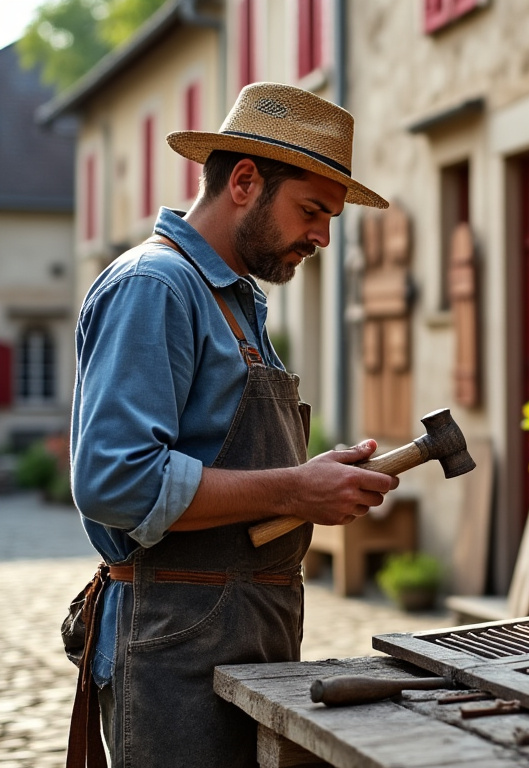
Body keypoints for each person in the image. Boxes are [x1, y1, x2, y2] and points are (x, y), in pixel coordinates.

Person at [66, 83, 395, 768]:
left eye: (330, 217)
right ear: (244, 181)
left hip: (241, 639)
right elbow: (116, 482)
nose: (323, 236)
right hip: (174, 648)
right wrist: (294, 491)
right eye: (312, 210)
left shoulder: (233, 300)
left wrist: (312, 479)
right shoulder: (156, 286)